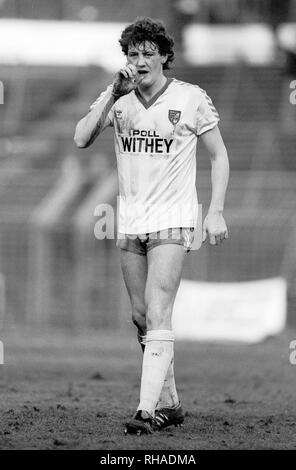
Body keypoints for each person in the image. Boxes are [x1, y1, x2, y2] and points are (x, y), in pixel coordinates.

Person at [74, 17, 229, 435]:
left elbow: (218, 156)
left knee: (159, 308)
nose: (139, 61)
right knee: (142, 317)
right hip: (130, 220)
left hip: (174, 218)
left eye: (148, 53)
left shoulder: (191, 98)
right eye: (133, 53)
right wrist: (111, 94)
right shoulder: (119, 99)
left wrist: (214, 211)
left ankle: (146, 411)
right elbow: (81, 137)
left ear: (164, 56)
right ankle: (171, 402)